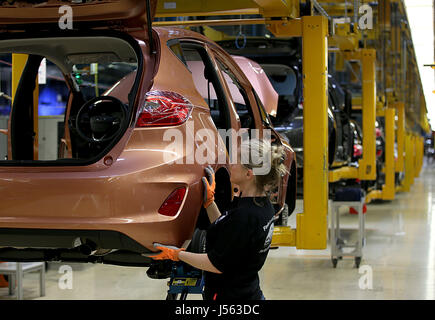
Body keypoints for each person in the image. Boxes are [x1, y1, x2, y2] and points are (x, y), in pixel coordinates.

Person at [147, 138, 288, 300]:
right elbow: (227, 231)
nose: (230, 166)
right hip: (247, 292)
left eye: (236, 163)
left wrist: (176, 255)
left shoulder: (245, 216)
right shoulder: (261, 205)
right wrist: (209, 202)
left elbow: (215, 264)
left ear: (249, 174)